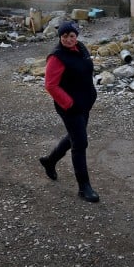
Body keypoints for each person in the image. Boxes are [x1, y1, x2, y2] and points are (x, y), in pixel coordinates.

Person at [39, 21, 100, 202]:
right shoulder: (57, 57)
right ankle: (84, 187)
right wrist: (69, 103)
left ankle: (50, 161)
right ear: (60, 37)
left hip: (84, 103)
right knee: (80, 143)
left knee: (75, 137)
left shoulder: (80, 48)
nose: (68, 39)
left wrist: (91, 94)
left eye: (71, 36)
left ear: (77, 37)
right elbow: (50, 85)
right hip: (70, 107)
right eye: (64, 36)